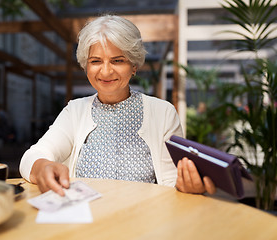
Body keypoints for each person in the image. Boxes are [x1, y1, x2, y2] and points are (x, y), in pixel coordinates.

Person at [19, 15, 216, 196]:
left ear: (134, 65)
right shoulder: (74, 111)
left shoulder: (163, 112)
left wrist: (187, 186)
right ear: (85, 65)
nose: (105, 71)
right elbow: (33, 156)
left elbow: (173, 181)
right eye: (96, 61)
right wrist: (42, 167)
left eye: (117, 60)